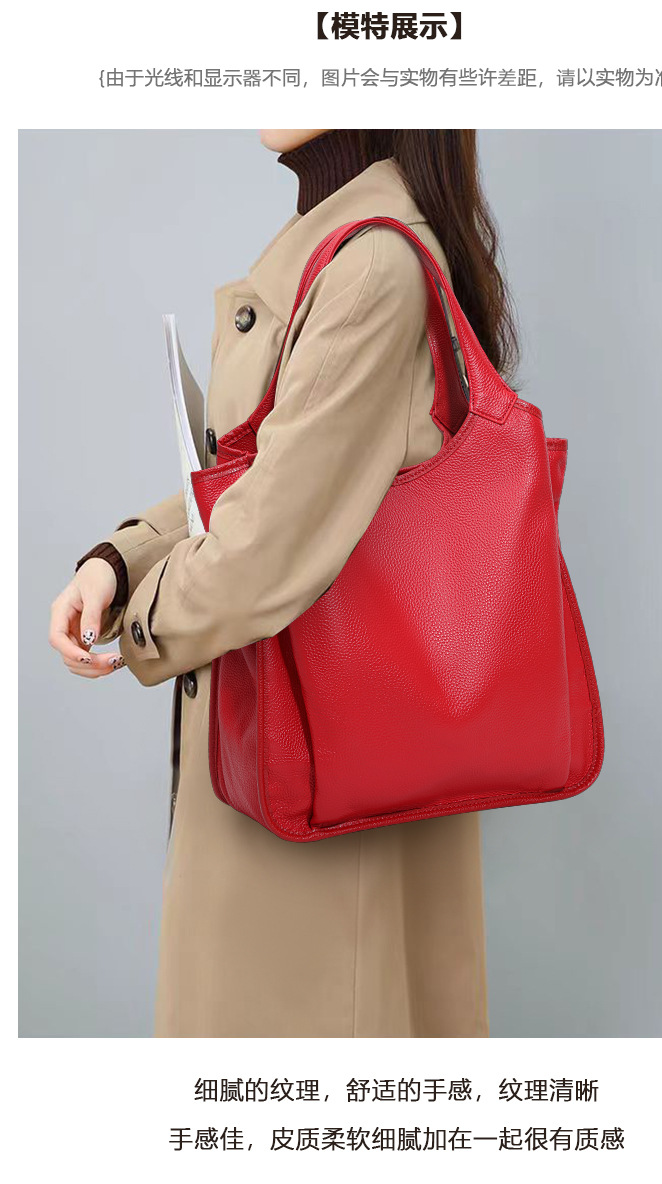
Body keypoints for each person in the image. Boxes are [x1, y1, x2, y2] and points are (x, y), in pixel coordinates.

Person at [48, 128, 519, 1037]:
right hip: (301, 750)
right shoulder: (342, 243)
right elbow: (265, 472)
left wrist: (140, 620)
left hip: (315, 768)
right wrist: (120, 559)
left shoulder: (372, 265)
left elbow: (264, 545)